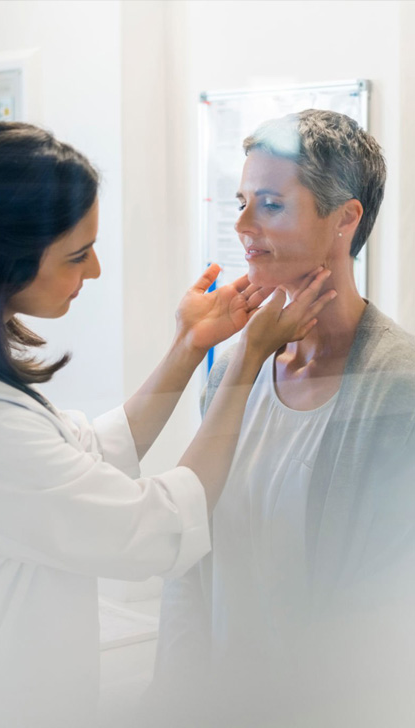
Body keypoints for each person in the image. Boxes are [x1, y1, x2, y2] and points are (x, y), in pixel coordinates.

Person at [0, 122, 332, 728]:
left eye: (270, 205)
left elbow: (86, 455)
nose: (97, 271)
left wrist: (190, 346)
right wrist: (244, 361)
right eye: (77, 255)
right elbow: (157, 528)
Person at [152, 109, 415, 728]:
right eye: (241, 202)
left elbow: (382, 609)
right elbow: (188, 548)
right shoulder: (233, 367)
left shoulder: (397, 389)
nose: (242, 226)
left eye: (269, 204)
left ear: (345, 220)